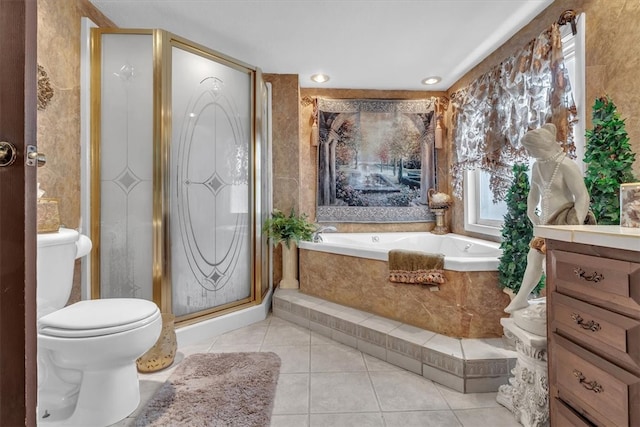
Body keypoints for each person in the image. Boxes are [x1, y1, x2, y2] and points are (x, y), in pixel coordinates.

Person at [504, 123, 594, 314]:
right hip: (546, 224)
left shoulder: (566, 165)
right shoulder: (538, 166)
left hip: (563, 222)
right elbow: (534, 191)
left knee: (552, 263)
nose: (529, 154)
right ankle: (522, 299)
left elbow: (582, 196)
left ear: (541, 147)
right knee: (535, 257)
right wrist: (530, 211)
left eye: (531, 150)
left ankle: (561, 302)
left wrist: (575, 225)